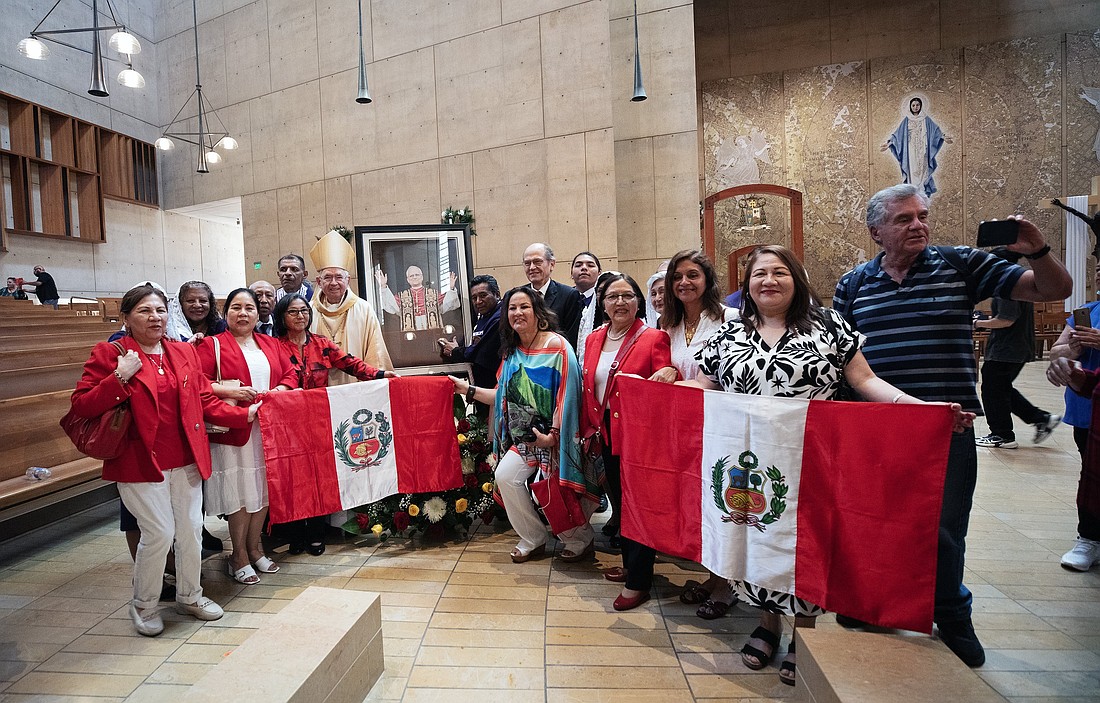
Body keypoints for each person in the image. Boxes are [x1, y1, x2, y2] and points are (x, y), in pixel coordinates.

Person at [687, 244, 973, 684]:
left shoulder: (830, 326)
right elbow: (702, 386)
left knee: (807, 546)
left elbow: (865, 381)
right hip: (753, 463)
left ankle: (805, 637)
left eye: (779, 272)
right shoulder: (728, 335)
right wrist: (656, 382)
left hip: (813, 460)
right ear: (747, 284)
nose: (769, 281)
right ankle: (766, 625)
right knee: (759, 542)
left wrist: (922, 409)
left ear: (796, 279)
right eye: (759, 273)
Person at [833, 183, 1072, 667]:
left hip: (948, 427)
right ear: (876, 231)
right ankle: (881, 604)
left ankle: (951, 613)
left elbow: (1053, 289)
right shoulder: (854, 284)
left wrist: (1039, 252)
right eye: (904, 219)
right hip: (880, 428)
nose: (918, 224)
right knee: (879, 524)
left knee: (943, 529)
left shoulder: (961, 263)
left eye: (921, 215)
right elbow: (839, 356)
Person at [69, 284, 256, 636]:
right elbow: (82, 405)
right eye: (144, 311)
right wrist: (120, 376)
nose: (155, 317)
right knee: (159, 532)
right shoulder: (111, 354)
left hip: (186, 458)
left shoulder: (181, 352)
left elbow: (203, 399)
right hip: (139, 461)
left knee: (189, 532)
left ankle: (190, 595)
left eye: (160, 311)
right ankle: (144, 604)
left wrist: (242, 416)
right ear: (125, 318)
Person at [448, 287, 592, 563]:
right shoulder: (511, 352)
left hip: (555, 437)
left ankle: (579, 539)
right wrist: (466, 390)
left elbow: (569, 395)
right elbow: (500, 395)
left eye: (524, 307)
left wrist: (553, 436)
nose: (517, 313)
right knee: (505, 476)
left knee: (553, 486)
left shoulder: (557, 346)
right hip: (525, 438)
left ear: (539, 313)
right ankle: (534, 537)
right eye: (512, 308)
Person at [579, 273, 675, 610]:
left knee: (638, 506)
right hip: (604, 433)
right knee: (620, 505)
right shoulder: (594, 339)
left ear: (639, 301)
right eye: (612, 297)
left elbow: (664, 383)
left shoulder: (653, 338)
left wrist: (668, 374)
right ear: (602, 304)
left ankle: (639, 582)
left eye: (628, 296)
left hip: (639, 436)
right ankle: (632, 563)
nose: (620, 302)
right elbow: (590, 385)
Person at [273, 293, 395, 555]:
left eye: (304, 311)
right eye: (293, 312)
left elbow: (351, 364)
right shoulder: (273, 346)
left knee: (318, 476)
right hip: (286, 422)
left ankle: (316, 533)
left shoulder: (321, 344)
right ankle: (296, 534)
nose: (300, 316)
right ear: (282, 316)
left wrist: (381, 374)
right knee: (293, 479)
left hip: (318, 419)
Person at [197, 288, 298, 586]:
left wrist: (280, 391)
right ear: (225, 313)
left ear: (258, 313)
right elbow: (198, 384)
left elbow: (291, 374)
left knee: (262, 491)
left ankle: (256, 548)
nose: (243, 313)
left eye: (249, 308)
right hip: (233, 430)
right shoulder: (212, 345)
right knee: (238, 494)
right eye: (236, 308)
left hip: (267, 429)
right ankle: (237, 554)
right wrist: (231, 392)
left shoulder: (270, 343)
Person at [974, 249, 1060, 449]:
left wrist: (978, 324)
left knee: (993, 389)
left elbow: (1006, 320)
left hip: (1007, 348)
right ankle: (1041, 419)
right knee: (1000, 388)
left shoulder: (1006, 285)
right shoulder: (1016, 282)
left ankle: (1002, 434)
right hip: (1016, 346)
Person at [1045, 269, 1100, 572]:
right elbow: (1056, 351)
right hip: (1087, 405)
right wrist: (1073, 349)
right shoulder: (1089, 312)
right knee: (1091, 474)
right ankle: (1089, 538)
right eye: (1099, 271)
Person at [309, 230, 393, 381]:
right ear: (319, 282)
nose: (333, 282)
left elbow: (375, 351)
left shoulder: (363, 309)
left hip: (357, 387)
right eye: (327, 277)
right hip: (321, 390)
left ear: (348, 280)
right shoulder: (309, 311)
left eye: (339, 277)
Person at [439, 275, 502, 410]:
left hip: (494, 390)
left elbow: (481, 351)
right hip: (481, 389)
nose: (478, 301)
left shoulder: (499, 318)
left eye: (483, 295)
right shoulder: (483, 317)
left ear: (497, 294)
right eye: (474, 298)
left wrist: (456, 351)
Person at [881, 96, 952, 198]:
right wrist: (889, 143)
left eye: (917, 105)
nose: (915, 107)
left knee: (923, 168)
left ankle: (922, 190)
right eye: (913, 105)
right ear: (910, 106)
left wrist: (943, 137)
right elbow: (898, 134)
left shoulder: (926, 119)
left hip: (923, 148)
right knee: (912, 168)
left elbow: (935, 131)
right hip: (910, 149)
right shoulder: (906, 120)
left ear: (921, 106)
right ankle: (912, 190)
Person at [523, 243, 582, 349]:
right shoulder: (515, 296)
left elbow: (571, 337)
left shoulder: (568, 295)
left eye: (537, 262)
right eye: (527, 263)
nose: (532, 267)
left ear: (552, 264)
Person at [376, 265, 459, 330]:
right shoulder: (401, 296)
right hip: (410, 334)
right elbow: (391, 306)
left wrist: (451, 289)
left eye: (417, 275)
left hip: (433, 332)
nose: (414, 277)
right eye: (411, 276)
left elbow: (447, 305)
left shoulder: (433, 294)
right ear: (408, 279)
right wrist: (383, 286)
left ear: (422, 277)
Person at [571, 252, 602, 367]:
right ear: (571, 273)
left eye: (590, 265)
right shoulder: (564, 299)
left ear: (599, 273)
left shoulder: (605, 301)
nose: (584, 268)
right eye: (578, 265)